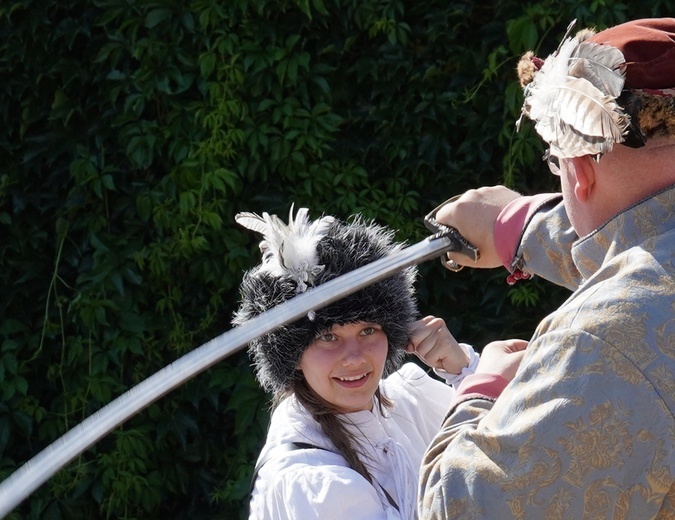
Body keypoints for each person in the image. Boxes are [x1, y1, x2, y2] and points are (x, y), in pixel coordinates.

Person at [418, 18, 675, 519]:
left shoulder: (601, 340)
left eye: (556, 164)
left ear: (577, 172)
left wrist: (483, 391)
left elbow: (462, 509)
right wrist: (520, 227)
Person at [232, 205, 526, 519]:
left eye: (368, 330)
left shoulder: (407, 400)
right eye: (328, 337)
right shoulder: (310, 481)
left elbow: (522, 449)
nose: (355, 357)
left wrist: (462, 371)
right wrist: (483, 389)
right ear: (293, 355)